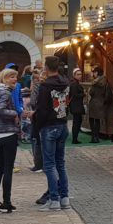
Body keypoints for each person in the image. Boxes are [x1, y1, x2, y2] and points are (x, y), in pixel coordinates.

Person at [33, 56, 74, 210]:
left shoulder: (45, 86)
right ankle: (64, 198)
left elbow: (42, 109)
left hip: (49, 126)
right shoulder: (65, 83)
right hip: (62, 123)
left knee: (49, 165)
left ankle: (54, 199)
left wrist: (37, 125)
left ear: (46, 67)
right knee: (61, 164)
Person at [0, 69, 22, 213]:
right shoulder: (5, 93)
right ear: (5, 79)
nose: (15, 79)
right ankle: (6, 202)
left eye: (16, 77)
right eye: (12, 77)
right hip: (8, 133)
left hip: (0, 134)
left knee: (0, 169)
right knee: (7, 169)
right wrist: (15, 113)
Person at [83, 68, 113, 144]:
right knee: (97, 120)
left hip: (94, 103)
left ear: (97, 73)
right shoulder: (105, 81)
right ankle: (97, 137)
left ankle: (94, 137)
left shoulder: (95, 82)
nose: (93, 74)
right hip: (101, 103)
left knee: (92, 120)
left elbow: (91, 93)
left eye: (94, 72)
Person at [67, 68, 88, 144]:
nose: (80, 76)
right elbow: (75, 95)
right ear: (74, 75)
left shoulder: (76, 83)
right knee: (76, 122)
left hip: (77, 105)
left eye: (80, 74)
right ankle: (74, 139)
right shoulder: (74, 84)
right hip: (75, 106)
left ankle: (75, 138)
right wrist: (84, 94)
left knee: (78, 121)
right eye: (78, 74)